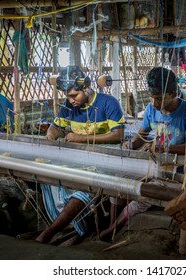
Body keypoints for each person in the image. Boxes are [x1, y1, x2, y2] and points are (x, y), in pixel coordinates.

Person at [99, 66, 186, 241]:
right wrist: (129, 145)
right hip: (155, 163)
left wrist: (165, 148)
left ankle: (111, 232)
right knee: (114, 185)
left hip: (179, 169)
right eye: (152, 97)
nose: (154, 103)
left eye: (159, 98)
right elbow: (142, 137)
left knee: (142, 198)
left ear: (173, 94)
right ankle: (111, 226)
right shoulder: (151, 109)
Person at [36, 65, 125, 244]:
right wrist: (51, 134)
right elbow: (56, 127)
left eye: (74, 95)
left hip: (105, 161)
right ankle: (70, 224)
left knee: (83, 188)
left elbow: (118, 135)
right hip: (78, 160)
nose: (71, 100)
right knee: (46, 177)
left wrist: (81, 138)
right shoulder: (68, 106)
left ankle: (50, 232)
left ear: (86, 87)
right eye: (68, 96)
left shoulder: (108, 103)